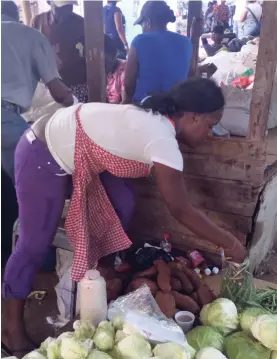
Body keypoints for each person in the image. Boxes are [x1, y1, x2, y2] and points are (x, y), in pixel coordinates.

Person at [2, 78, 246, 355]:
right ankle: (11, 330)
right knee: (34, 245)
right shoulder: (162, 138)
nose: (211, 134)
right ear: (192, 117)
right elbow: (180, 209)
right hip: (41, 151)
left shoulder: (159, 120)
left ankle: (100, 277)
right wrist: (231, 244)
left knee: (123, 203)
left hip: (77, 151)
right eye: (210, 125)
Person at [1, 0, 73, 182]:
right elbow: (58, 91)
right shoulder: (30, 35)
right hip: (5, 119)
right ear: (17, 15)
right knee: (32, 178)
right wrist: (75, 104)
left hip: (9, 116)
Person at [124, 0, 192, 104]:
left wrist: (128, 100)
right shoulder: (186, 42)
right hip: (176, 107)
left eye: (142, 25)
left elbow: (129, 83)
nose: (142, 29)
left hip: (146, 106)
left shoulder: (140, 41)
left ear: (149, 21)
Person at [31, 1, 87, 102]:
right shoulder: (37, 21)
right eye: (62, 7)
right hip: (50, 85)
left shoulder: (80, 23)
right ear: (49, 2)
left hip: (76, 82)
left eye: (70, 6)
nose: (67, 10)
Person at [105, 35, 126, 104]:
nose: (101, 64)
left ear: (114, 55)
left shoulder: (124, 70)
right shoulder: (98, 71)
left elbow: (125, 102)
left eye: (104, 60)